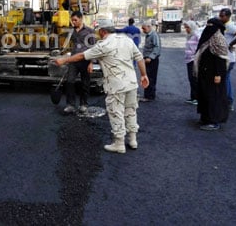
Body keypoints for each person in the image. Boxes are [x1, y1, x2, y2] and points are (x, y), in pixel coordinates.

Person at [54, 19, 149, 153]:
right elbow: (139, 58)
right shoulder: (127, 40)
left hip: (116, 85)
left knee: (116, 112)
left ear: (103, 31)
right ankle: (133, 140)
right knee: (131, 111)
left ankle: (119, 143)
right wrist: (144, 75)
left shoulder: (103, 45)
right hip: (132, 83)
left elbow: (82, 56)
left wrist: (64, 60)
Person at [193, 18, 229, 131]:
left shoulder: (218, 39)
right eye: (207, 25)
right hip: (204, 73)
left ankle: (214, 121)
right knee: (204, 96)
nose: (208, 27)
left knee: (213, 97)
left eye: (211, 25)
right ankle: (205, 118)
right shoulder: (206, 38)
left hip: (214, 75)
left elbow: (221, 59)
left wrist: (218, 74)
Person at [62, 11, 96, 114]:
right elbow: (66, 44)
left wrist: (91, 63)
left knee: (85, 83)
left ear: (81, 19)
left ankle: (83, 104)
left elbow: (93, 47)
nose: (73, 22)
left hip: (85, 60)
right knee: (70, 82)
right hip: (73, 60)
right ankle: (70, 105)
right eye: (72, 20)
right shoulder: (71, 31)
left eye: (75, 20)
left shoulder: (89, 31)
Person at [218, 8, 236, 111]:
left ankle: (229, 102)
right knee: (225, 80)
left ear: (228, 16)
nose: (220, 17)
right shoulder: (223, 25)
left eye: (222, 16)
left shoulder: (229, 26)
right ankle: (226, 101)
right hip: (224, 57)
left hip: (228, 58)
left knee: (225, 80)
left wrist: (231, 44)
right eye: (220, 15)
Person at [140, 21, 161, 102]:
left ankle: (149, 96)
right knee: (147, 76)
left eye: (144, 28)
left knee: (150, 78)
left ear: (149, 27)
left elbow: (157, 47)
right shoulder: (149, 35)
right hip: (147, 59)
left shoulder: (153, 35)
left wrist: (150, 57)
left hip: (151, 60)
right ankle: (149, 95)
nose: (143, 30)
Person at [183, 20, 200, 105]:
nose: (186, 29)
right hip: (189, 59)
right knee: (191, 79)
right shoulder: (190, 35)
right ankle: (193, 97)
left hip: (194, 60)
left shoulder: (197, 35)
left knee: (194, 79)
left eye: (187, 27)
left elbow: (201, 47)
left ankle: (197, 98)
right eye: (185, 27)